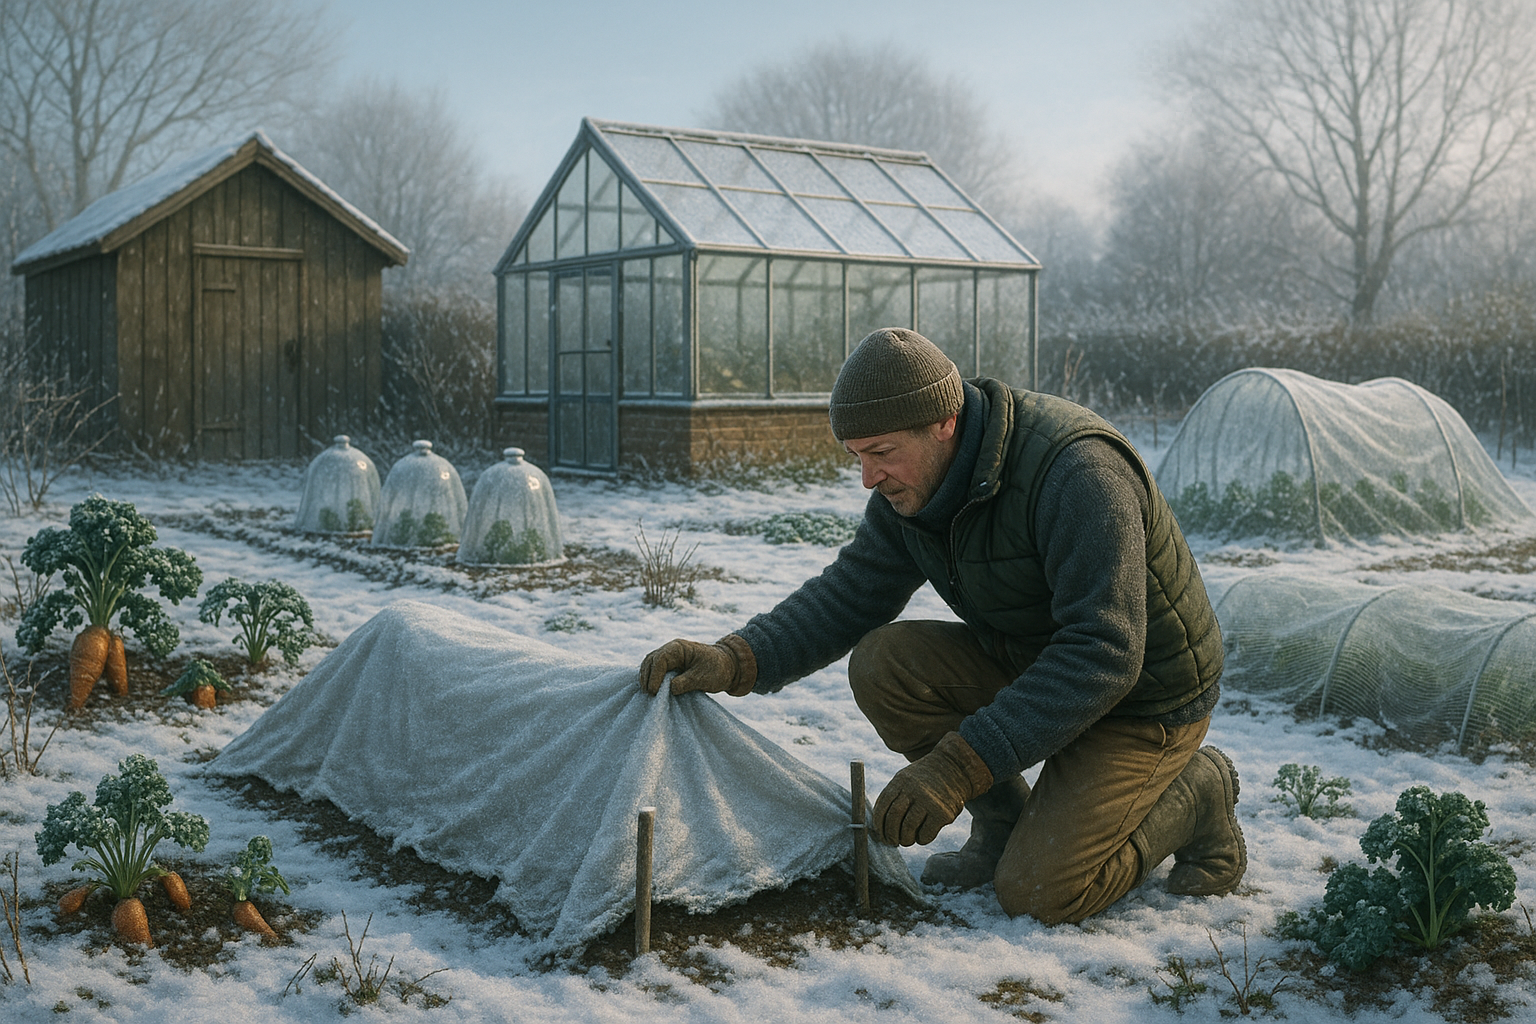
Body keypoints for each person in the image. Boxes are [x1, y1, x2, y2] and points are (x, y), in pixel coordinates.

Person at [639, 328, 1243, 925]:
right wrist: (736, 658)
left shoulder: (1079, 471)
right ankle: (1004, 828)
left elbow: (1104, 651)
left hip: (1144, 698)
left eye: (881, 453)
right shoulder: (917, 485)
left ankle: (1198, 792)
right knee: (886, 665)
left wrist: (956, 768)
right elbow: (851, 592)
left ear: (945, 423)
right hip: (1036, 660)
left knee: (1041, 893)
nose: (868, 478)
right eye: (856, 456)